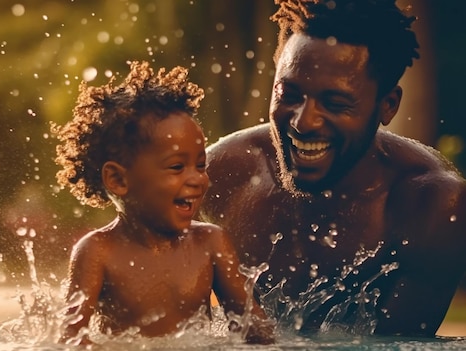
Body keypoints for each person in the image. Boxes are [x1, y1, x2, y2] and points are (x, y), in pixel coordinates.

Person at [200, 0, 466, 337]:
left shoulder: (432, 207)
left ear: (388, 105)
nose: (304, 122)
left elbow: (395, 346)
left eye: (336, 103)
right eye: (289, 94)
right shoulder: (223, 171)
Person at [53, 61, 274, 345]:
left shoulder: (210, 243)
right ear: (118, 180)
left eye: (201, 165)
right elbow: (70, 339)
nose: (198, 180)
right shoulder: (98, 252)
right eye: (176, 167)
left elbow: (254, 330)